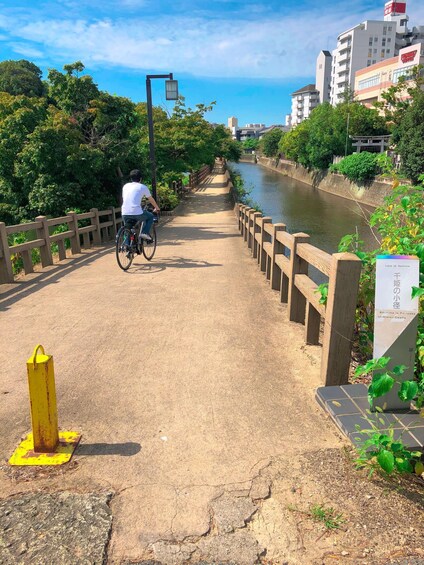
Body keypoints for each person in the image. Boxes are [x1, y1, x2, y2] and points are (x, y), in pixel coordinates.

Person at [121, 169, 160, 244]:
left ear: (131, 178)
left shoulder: (125, 186)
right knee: (150, 216)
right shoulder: (143, 187)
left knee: (127, 228)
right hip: (137, 212)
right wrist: (157, 208)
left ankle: (127, 246)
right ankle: (144, 233)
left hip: (124, 212)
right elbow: (151, 199)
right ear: (140, 178)